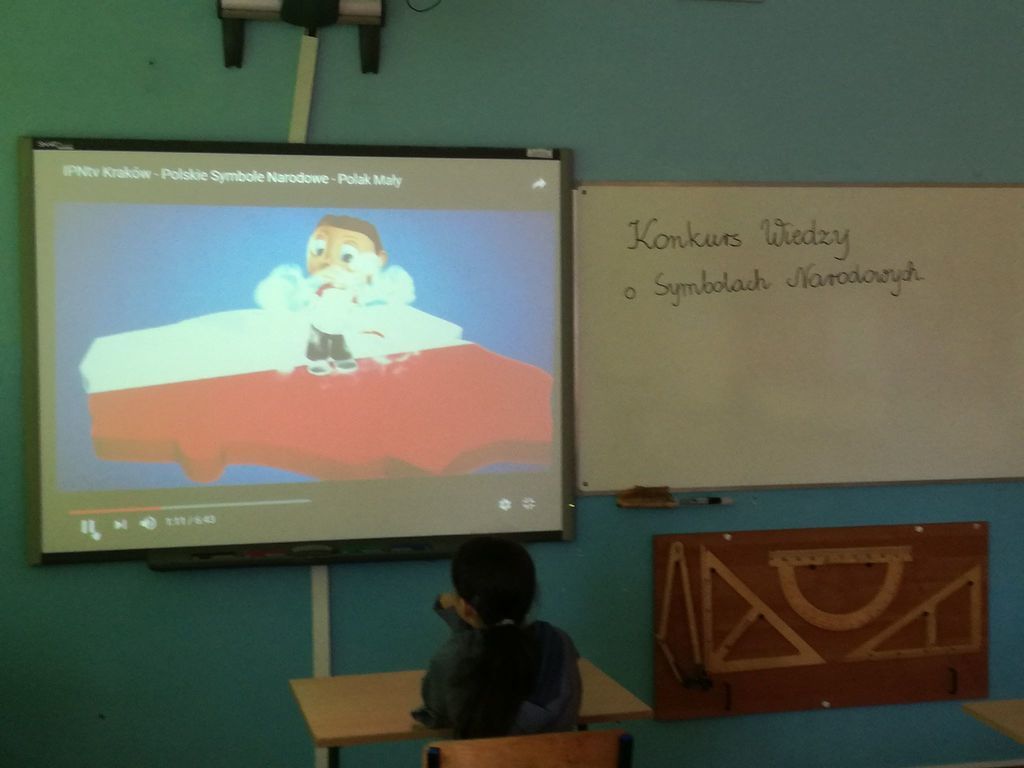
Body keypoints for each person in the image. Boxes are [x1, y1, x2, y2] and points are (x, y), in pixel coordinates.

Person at [411, 536, 582, 739]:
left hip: (479, 756)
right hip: (560, 756)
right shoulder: (559, 642)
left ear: (466, 608)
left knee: (439, 751)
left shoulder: (453, 656)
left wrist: (461, 629)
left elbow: (436, 713)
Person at [254, 214, 414, 374]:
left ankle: (342, 359)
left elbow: (356, 308)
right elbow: (308, 301)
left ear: (378, 260)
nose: (328, 260)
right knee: (318, 344)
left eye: (347, 255)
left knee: (339, 343)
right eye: (319, 250)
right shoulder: (319, 288)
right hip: (319, 324)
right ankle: (318, 361)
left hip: (339, 326)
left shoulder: (356, 292)